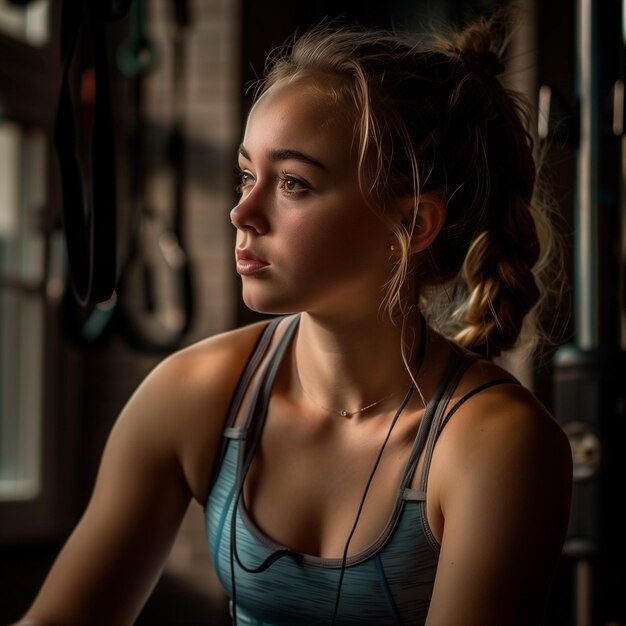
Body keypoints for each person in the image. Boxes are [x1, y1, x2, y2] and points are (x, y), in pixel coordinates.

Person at [13, 8, 572, 626]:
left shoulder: (495, 444)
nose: (241, 213)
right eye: (247, 175)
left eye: (294, 184)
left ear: (411, 225)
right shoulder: (194, 396)